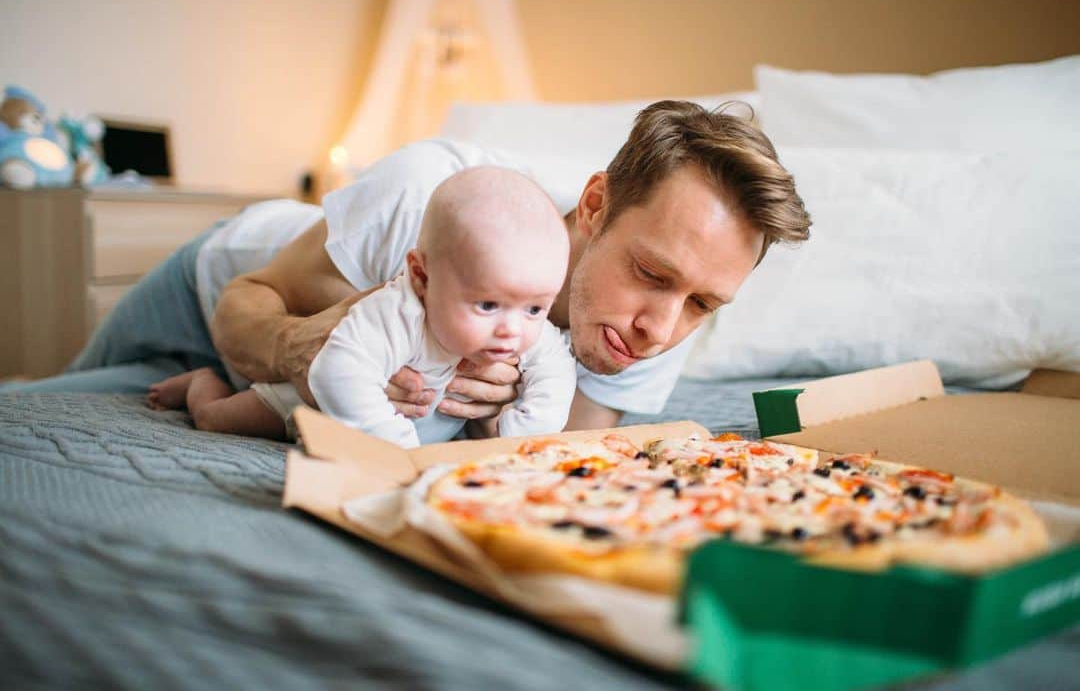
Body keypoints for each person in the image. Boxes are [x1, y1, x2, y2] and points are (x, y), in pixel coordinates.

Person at [3, 101, 811, 437]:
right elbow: (249, 304)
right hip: (211, 291)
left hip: (260, 381)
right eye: (652, 273)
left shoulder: (641, 338)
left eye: (704, 303)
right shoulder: (431, 192)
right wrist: (298, 348)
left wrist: (497, 414)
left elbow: (542, 451)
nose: (661, 327)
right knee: (34, 412)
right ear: (594, 203)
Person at [145, 167, 576, 446]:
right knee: (217, 421)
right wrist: (393, 445)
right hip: (310, 403)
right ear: (423, 278)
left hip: (412, 421)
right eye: (487, 304)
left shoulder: (519, 324)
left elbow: (556, 370)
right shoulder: (395, 314)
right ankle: (200, 382)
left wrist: (528, 429)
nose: (512, 331)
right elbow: (335, 373)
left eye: (536, 310)